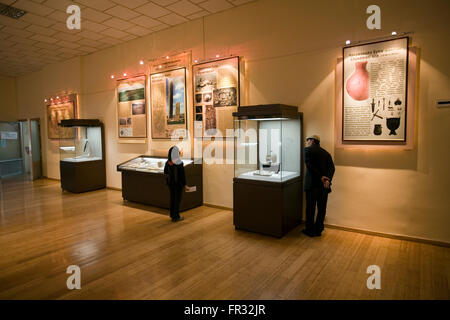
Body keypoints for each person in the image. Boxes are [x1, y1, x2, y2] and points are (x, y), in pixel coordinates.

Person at [303, 135, 335, 237]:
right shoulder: (326, 153)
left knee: (310, 209)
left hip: (312, 186)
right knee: (322, 209)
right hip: (323, 187)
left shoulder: (307, 150)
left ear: (312, 141)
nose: (307, 143)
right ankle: (318, 230)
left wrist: (321, 176)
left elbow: (310, 166)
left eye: (307, 140)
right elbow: (332, 168)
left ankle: (310, 230)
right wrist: (327, 179)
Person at [164, 146, 190, 222]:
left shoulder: (167, 162)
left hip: (170, 184)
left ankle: (172, 215)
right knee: (177, 200)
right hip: (178, 184)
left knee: (172, 199)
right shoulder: (179, 162)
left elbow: (165, 172)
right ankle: (176, 217)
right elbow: (182, 175)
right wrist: (185, 185)